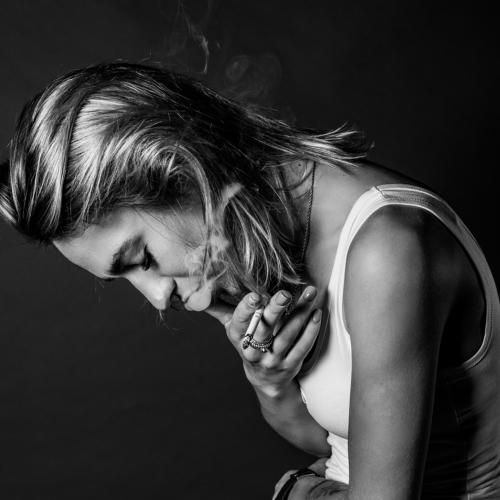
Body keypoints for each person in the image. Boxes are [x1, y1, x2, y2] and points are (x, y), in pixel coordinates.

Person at [1, 61, 499, 500]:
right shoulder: (258, 244)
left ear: (183, 169)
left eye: (141, 257)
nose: (157, 296)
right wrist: (270, 382)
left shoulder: (386, 253)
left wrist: (300, 491)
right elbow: (340, 445)